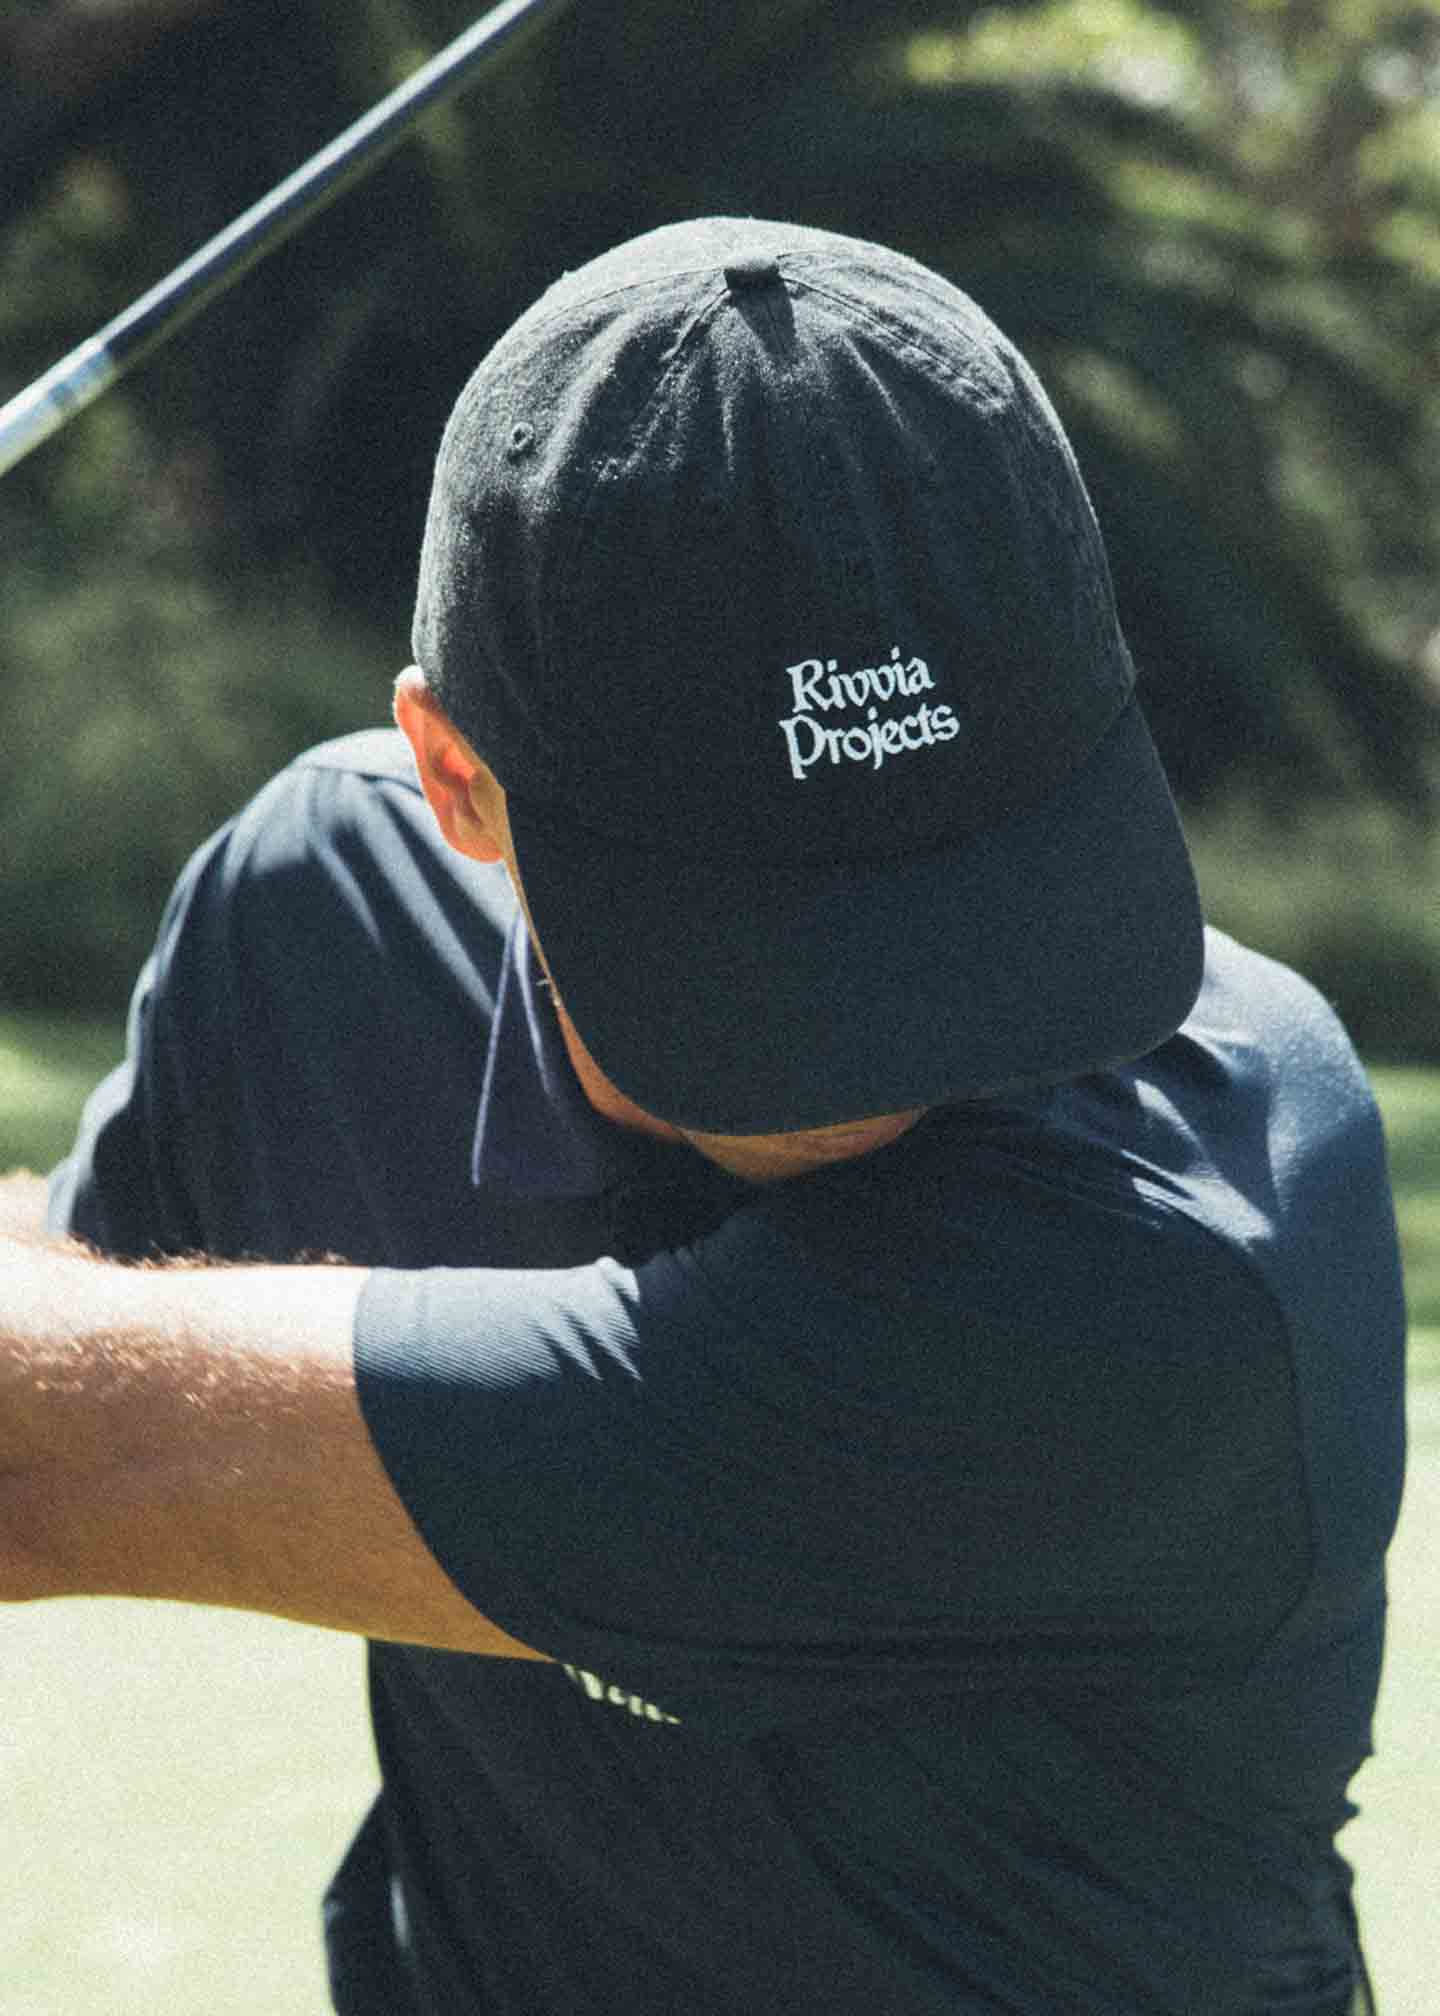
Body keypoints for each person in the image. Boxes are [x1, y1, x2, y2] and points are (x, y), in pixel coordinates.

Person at [1, 218, 1405, 2015]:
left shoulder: (1181, 1277)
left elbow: (47, 1458)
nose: (903, 1036)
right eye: (773, 937)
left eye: (976, 890)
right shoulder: (316, 913)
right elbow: (75, 1298)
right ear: (458, 780)